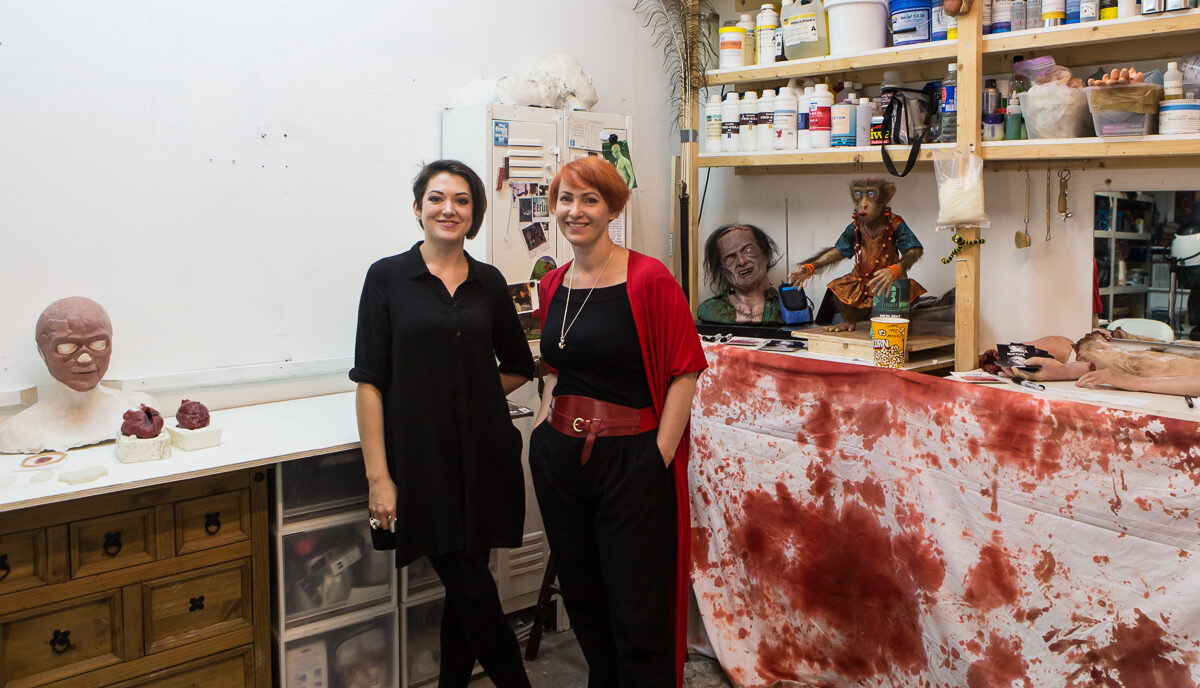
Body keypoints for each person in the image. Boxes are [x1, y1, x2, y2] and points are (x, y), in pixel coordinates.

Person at [350, 159, 534, 688]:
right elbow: (369, 382)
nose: (447, 208)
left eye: (460, 200)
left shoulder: (489, 282)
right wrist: (379, 478)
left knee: (467, 589)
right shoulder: (387, 278)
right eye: (436, 198)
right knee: (474, 588)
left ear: (473, 214)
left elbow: (519, 366)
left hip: (485, 456)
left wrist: (467, 395)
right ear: (418, 208)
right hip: (421, 461)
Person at [530, 156, 706, 688]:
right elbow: (557, 370)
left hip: (631, 457)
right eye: (565, 199)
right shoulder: (553, 285)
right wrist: (540, 432)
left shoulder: (649, 278)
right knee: (584, 598)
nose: (575, 211)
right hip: (561, 456)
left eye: (589, 200)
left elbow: (685, 370)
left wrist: (658, 456)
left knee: (638, 605)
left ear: (612, 209)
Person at [0, 296, 156, 453]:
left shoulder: (140, 409)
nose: (85, 358)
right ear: (42, 352)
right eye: (66, 347)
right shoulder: (17, 431)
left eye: (97, 344)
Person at [787, 178, 925, 331]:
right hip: (861, 278)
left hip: (888, 279)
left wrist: (895, 270)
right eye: (858, 194)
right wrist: (810, 267)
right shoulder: (856, 226)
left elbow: (915, 250)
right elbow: (839, 250)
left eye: (871, 195)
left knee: (893, 316)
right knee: (839, 289)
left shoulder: (894, 224)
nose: (863, 203)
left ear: (888, 195)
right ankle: (849, 322)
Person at [697, 223, 784, 325]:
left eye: (748, 250)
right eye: (730, 258)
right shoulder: (711, 309)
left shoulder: (788, 307)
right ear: (721, 269)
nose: (741, 261)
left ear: (765, 255)